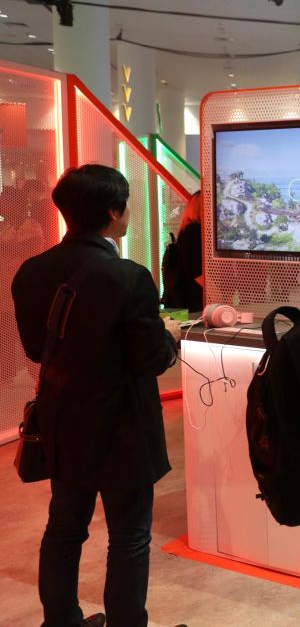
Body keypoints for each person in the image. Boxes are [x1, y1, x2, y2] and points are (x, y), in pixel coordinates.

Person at [11, 164, 182, 627]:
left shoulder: (31, 270)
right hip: (123, 422)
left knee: (64, 527)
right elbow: (151, 359)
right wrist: (170, 335)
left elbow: (33, 348)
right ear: (114, 211)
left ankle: (60, 620)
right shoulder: (128, 276)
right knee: (129, 535)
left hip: (63, 419)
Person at [161, 190, 204, 312]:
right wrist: (215, 292)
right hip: (193, 302)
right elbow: (195, 270)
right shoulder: (194, 232)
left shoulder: (188, 231)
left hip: (187, 302)